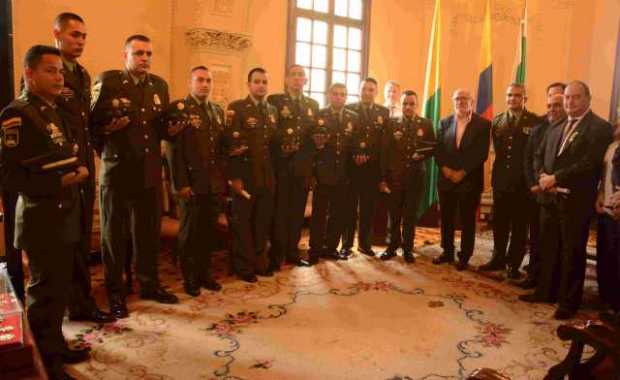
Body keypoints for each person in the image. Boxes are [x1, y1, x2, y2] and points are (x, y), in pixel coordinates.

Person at [0, 45, 91, 379]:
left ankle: (57, 345)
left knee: (58, 290)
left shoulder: (52, 110)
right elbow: (8, 175)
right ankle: (47, 362)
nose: (58, 76)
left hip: (63, 214)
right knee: (43, 293)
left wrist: (73, 173)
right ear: (29, 73)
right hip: (41, 218)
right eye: (50, 70)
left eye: (60, 71)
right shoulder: (18, 113)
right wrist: (61, 181)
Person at [91, 34, 178, 319]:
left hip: (149, 172)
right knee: (114, 237)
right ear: (125, 55)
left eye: (148, 53)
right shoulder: (109, 81)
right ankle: (116, 292)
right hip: (117, 172)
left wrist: (172, 132)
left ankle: (149, 284)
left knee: (148, 234)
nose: (144, 58)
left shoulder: (159, 86)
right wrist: (107, 145)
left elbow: (159, 128)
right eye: (138, 53)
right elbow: (91, 126)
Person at [523, 81, 612, 320]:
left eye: (575, 97)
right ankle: (545, 291)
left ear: (588, 99)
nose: (570, 102)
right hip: (549, 197)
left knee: (572, 251)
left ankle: (568, 301)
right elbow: (539, 153)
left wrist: (555, 178)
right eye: (567, 98)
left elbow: (589, 162)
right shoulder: (556, 126)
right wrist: (542, 177)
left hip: (576, 201)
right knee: (548, 247)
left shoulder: (599, 128)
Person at [52, 12, 115, 324]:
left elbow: (86, 120)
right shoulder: (47, 69)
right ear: (57, 34)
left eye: (83, 36)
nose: (79, 41)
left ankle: (81, 303)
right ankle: (67, 304)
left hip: (85, 164)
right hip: (61, 167)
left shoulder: (83, 74)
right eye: (74, 34)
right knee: (63, 239)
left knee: (80, 238)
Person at [166, 66, 227, 296]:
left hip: (213, 184)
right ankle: (189, 277)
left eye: (208, 80)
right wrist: (180, 184)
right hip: (190, 183)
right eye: (200, 80)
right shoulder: (180, 109)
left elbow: (220, 149)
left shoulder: (216, 110)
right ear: (190, 82)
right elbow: (174, 150)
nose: (204, 84)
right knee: (189, 233)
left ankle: (204, 273)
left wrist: (223, 180)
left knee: (208, 232)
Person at [222, 67, 278, 282]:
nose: (261, 85)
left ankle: (259, 262)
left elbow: (272, 147)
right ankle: (243, 267)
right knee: (242, 224)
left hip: (266, 176)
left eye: (264, 81)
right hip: (244, 175)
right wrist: (234, 178)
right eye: (257, 81)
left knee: (262, 222)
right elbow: (231, 147)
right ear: (249, 85)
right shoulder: (237, 108)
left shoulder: (271, 110)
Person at [480, 83, 541, 279]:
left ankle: (514, 263)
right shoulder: (498, 121)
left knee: (519, 227)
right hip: (501, 182)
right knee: (500, 224)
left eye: (517, 95)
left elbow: (536, 155)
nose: (512, 99)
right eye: (509, 95)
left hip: (523, 184)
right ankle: (497, 258)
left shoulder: (535, 122)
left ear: (525, 99)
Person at [432, 89, 491, 271]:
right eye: (457, 98)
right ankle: (447, 251)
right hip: (447, 179)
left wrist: (462, 172)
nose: (460, 101)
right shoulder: (444, 122)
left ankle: (464, 256)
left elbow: (480, 153)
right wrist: (446, 169)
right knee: (447, 218)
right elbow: (438, 149)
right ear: (453, 101)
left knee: (467, 220)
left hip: (469, 181)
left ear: (471, 102)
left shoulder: (483, 124)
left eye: (464, 98)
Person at [267, 65, 318, 269]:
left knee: (297, 212)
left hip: (303, 167)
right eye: (294, 75)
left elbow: (314, 136)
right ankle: (276, 254)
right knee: (280, 212)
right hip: (281, 165)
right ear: (287, 80)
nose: (298, 79)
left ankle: (292, 251)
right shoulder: (275, 101)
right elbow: (270, 131)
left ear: (305, 81)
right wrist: (283, 148)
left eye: (301, 76)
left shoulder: (312, 104)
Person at [519, 83, 567, 289]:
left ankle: (551, 281)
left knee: (556, 242)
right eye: (550, 99)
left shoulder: (569, 127)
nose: (553, 107)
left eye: (558, 100)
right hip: (536, 192)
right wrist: (534, 184)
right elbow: (529, 157)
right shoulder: (539, 126)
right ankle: (534, 275)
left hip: (558, 193)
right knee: (536, 237)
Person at [379, 90, 436, 262]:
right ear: (401, 105)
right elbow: (384, 152)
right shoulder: (391, 123)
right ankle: (392, 246)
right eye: (405, 104)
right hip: (394, 177)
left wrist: (422, 156)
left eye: (411, 103)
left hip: (415, 177)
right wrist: (382, 179)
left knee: (410, 215)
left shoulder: (425, 123)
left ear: (416, 105)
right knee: (394, 215)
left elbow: (432, 146)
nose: (408, 107)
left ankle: (408, 249)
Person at [307, 83, 358, 264]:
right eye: (335, 94)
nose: (339, 97)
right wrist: (312, 174)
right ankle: (314, 250)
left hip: (343, 175)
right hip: (322, 174)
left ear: (346, 97)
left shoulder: (353, 118)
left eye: (342, 94)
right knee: (319, 215)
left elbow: (354, 146)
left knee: (338, 215)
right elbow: (311, 147)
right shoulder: (319, 115)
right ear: (329, 95)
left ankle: (330, 248)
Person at [342, 78, 389, 257]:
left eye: (371, 90)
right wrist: (355, 154)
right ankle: (346, 245)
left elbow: (383, 142)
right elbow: (346, 137)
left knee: (368, 209)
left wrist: (369, 157)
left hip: (372, 169)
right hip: (352, 167)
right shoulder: (349, 109)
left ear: (376, 92)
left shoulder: (383, 112)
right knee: (349, 208)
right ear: (359, 90)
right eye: (364, 89)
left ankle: (365, 244)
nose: (367, 92)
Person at [595, 119, 620, 316]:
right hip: (606, 209)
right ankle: (606, 301)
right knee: (605, 256)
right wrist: (600, 195)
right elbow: (604, 174)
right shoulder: (611, 146)